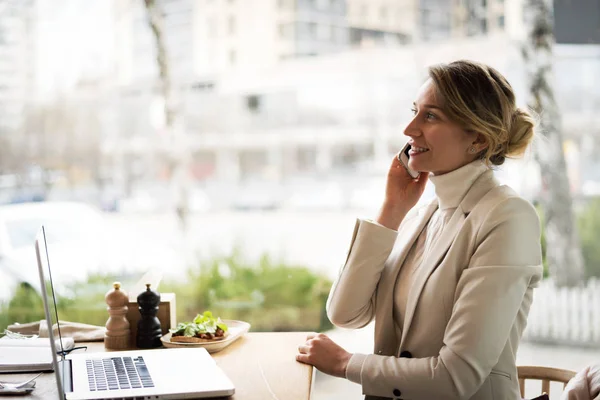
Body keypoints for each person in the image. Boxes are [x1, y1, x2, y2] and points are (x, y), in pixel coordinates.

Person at [296, 60, 543, 400]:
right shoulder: (420, 215)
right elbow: (345, 313)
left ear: (478, 139)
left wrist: (344, 363)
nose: (409, 129)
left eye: (430, 116)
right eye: (415, 111)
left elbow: (456, 377)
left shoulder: (507, 217)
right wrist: (392, 209)